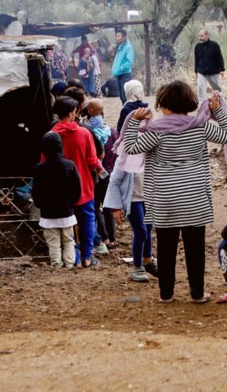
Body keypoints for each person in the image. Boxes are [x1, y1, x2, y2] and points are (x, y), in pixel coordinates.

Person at [124, 81, 227, 303]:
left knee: (165, 250)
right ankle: (197, 293)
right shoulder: (200, 125)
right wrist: (217, 111)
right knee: (195, 249)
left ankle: (166, 294)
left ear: (163, 105)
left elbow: (131, 147)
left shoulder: (157, 131)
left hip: (166, 200)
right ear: (190, 103)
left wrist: (133, 123)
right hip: (195, 199)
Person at [48, 96, 106, 268]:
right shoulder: (84, 133)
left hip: (59, 187)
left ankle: (73, 258)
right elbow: (92, 160)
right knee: (87, 219)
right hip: (84, 184)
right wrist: (100, 169)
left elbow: (44, 161)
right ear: (72, 113)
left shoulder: (51, 135)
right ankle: (87, 257)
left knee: (66, 222)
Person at [32, 132, 82, 268]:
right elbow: (77, 189)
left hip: (48, 214)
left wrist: (40, 204)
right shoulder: (70, 165)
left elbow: (36, 192)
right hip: (67, 211)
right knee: (68, 240)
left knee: (53, 242)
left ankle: (56, 266)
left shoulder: (39, 168)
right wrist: (72, 202)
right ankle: (70, 265)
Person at [104, 169, 157, 282]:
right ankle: (137, 266)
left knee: (148, 229)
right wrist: (116, 207)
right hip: (133, 199)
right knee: (141, 231)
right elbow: (114, 181)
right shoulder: (126, 157)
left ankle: (147, 260)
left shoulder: (150, 154)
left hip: (147, 196)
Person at [194, 29, 225, 102]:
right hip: (201, 71)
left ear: (207, 35)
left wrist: (222, 69)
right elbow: (196, 59)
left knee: (217, 89)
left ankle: (219, 104)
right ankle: (202, 106)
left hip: (214, 71)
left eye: (201, 36)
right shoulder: (197, 46)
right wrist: (196, 71)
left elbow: (219, 57)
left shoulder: (214, 45)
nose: (200, 38)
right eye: (199, 36)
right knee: (200, 89)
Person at [112, 28, 135, 105]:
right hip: (119, 74)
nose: (117, 37)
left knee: (126, 96)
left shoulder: (128, 47)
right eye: (116, 36)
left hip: (125, 74)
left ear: (124, 37)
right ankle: (124, 111)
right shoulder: (119, 47)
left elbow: (129, 61)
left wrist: (121, 69)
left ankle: (128, 112)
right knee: (122, 96)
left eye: (119, 36)